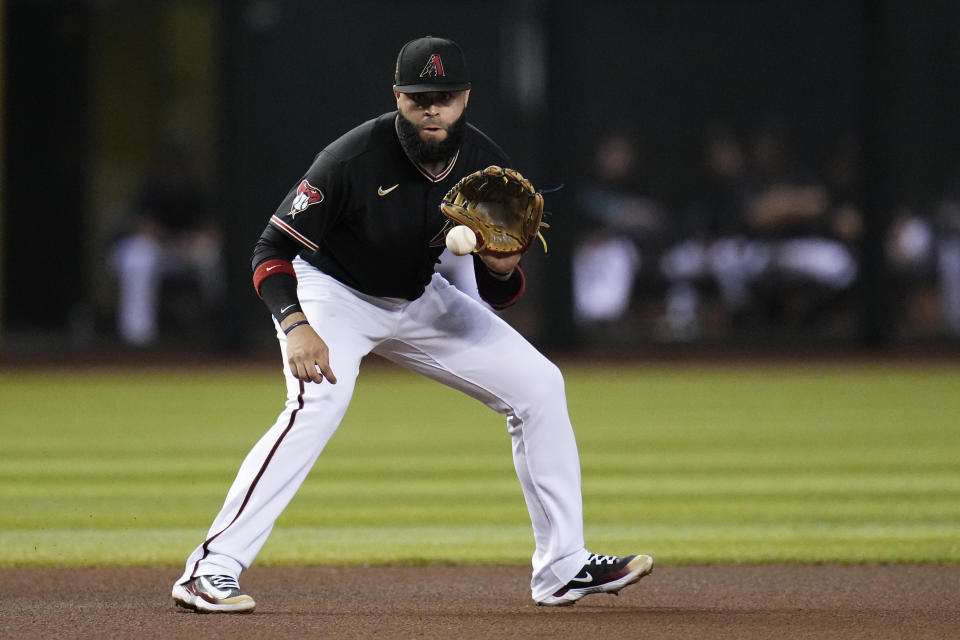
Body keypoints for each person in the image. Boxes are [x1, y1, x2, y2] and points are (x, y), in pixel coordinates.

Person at [171, 36, 652, 613]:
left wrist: (501, 267)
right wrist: (296, 322)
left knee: (541, 386)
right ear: (398, 96)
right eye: (420, 96)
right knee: (317, 403)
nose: (433, 108)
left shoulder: (483, 162)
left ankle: (563, 566)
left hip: (418, 295)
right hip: (333, 292)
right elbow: (269, 250)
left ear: (465, 98)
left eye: (445, 96)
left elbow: (501, 292)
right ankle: (210, 569)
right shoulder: (351, 159)